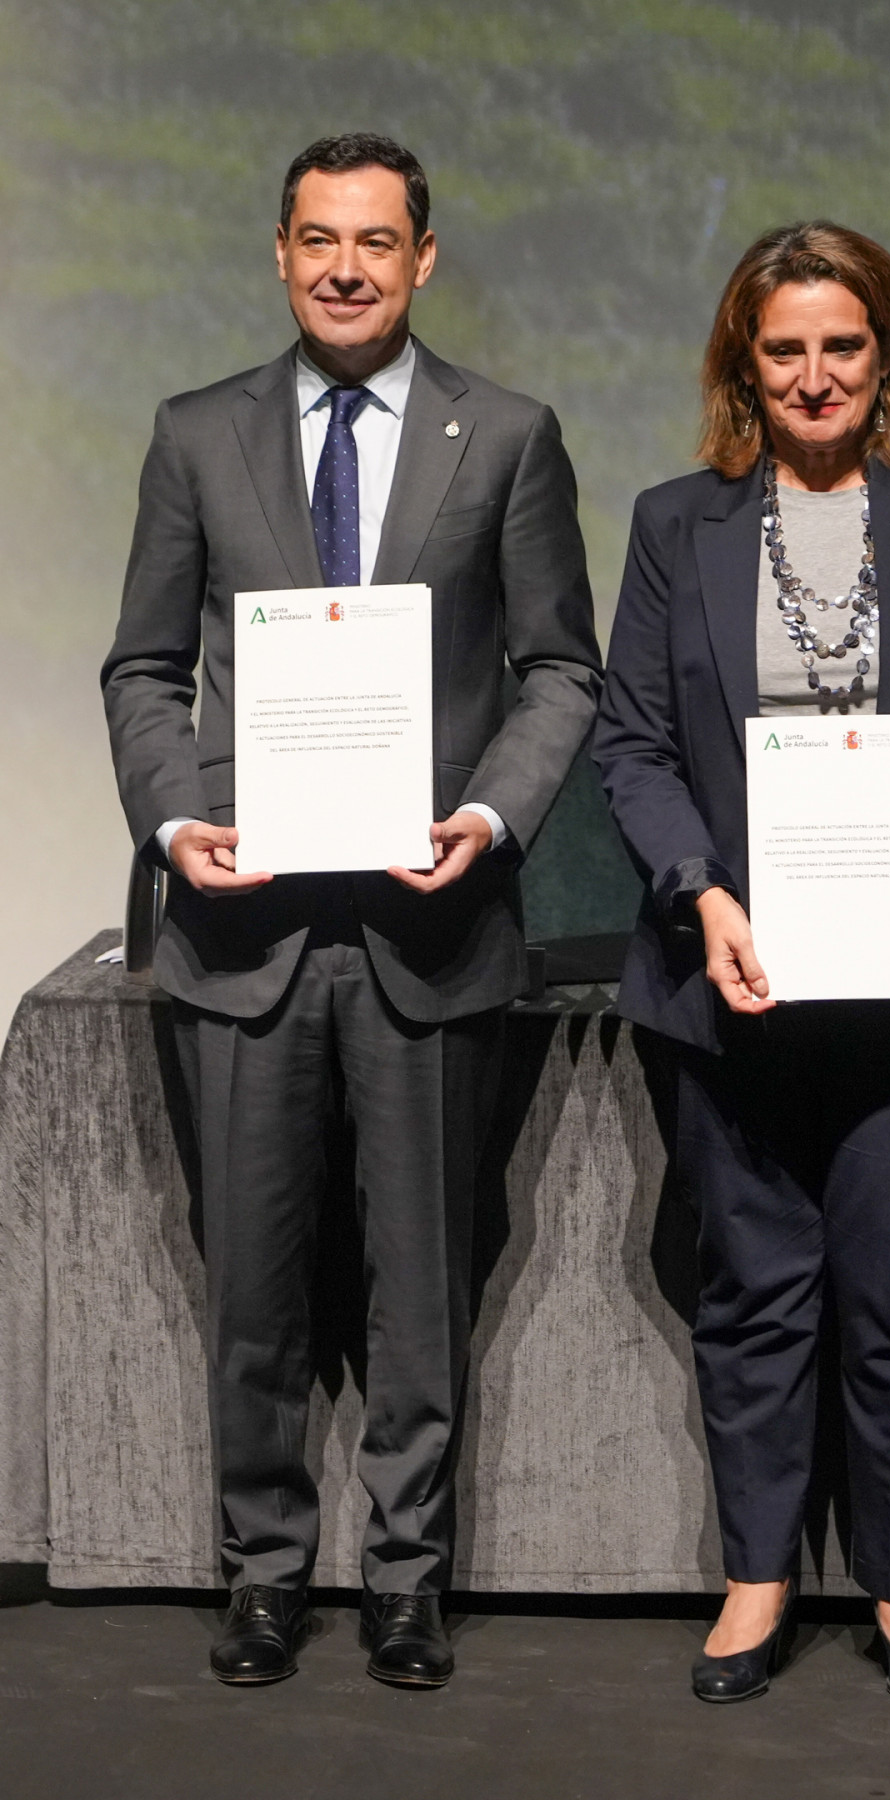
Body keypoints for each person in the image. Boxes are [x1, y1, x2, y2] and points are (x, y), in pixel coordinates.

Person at [101, 132, 600, 1688]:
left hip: (426, 924)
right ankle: (260, 1574)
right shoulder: (197, 436)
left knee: (418, 1287)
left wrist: (493, 813)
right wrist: (179, 817)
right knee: (251, 1287)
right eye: (318, 239)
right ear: (278, 251)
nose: (345, 267)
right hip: (241, 936)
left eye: (376, 242)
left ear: (424, 258)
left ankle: (404, 1578)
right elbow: (141, 667)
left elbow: (560, 668)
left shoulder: (506, 435)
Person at [593, 221, 890, 1705]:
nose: (813, 374)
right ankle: (757, 1580)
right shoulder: (679, 523)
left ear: (885, 353)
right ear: (744, 361)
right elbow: (638, 747)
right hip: (741, 984)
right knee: (755, 1292)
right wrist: (698, 894)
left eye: (840, 344)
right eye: (782, 348)